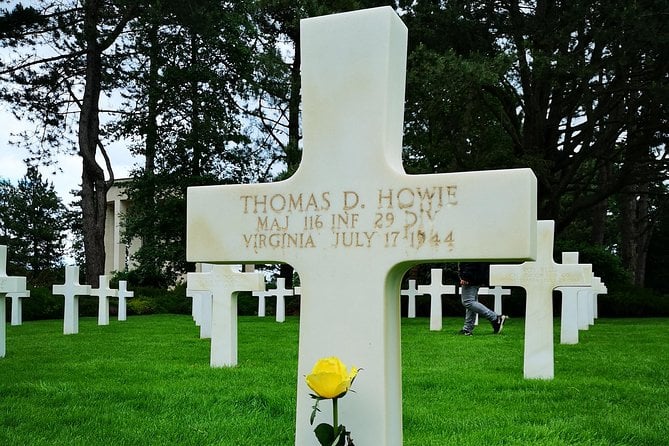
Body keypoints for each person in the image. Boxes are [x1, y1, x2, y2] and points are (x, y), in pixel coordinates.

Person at [458, 262, 507, 336]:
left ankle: (495, 318)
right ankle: (467, 329)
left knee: (468, 302)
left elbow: (469, 261)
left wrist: (465, 276)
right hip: (476, 275)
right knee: (471, 302)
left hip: (471, 275)